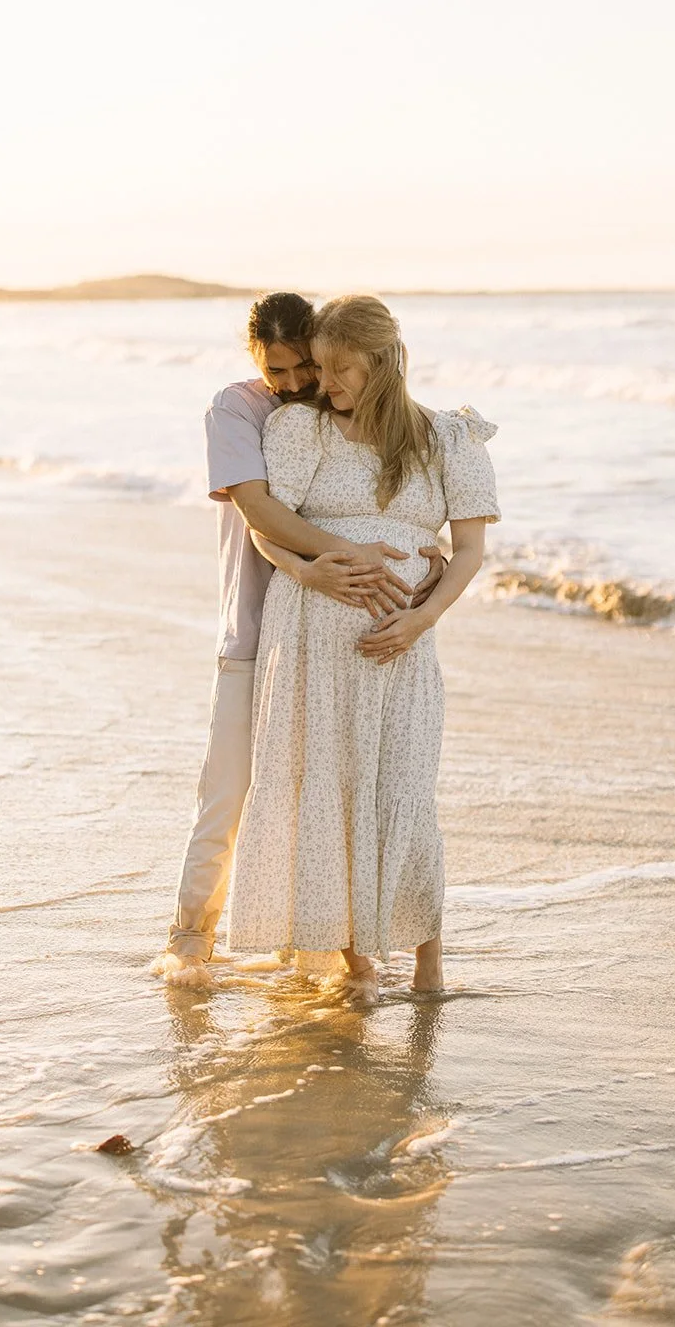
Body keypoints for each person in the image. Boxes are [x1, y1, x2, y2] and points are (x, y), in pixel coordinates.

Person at [156, 292, 444, 987]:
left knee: (323, 792)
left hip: (331, 642)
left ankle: (319, 941)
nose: (291, 383)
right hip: (255, 627)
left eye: (301, 369)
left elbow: (388, 487)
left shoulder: (334, 411)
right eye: (276, 370)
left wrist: (418, 551)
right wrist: (347, 556)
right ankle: (190, 935)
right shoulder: (238, 409)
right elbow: (258, 509)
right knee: (229, 789)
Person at [227, 294, 500, 1004]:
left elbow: (469, 550)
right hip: (312, 638)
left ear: (384, 363)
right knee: (327, 787)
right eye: (321, 367)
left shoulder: (448, 438)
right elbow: (266, 525)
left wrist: (424, 618)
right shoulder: (298, 430)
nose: (328, 383)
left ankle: (428, 965)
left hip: (401, 643)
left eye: (342, 369)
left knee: (405, 787)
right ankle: (354, 962)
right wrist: (303, 567)